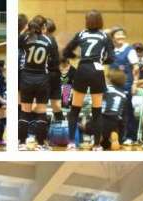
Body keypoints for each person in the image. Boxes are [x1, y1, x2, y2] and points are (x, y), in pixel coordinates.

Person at [62, 10, 114, 151]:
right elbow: (112, 58)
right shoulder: (105, 36)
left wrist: (77, 57)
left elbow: (66, 51)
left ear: (87, 21)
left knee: (75, 110)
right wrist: (101, 61)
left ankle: (71, 142)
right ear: (100, 21)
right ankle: (97, 145)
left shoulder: (81, 34)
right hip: (97, 71)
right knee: (97, 111)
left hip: (83, 69)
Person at [18, 15, 59, 150]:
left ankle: (22, 143)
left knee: (25, 111)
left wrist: (26, 30)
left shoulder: (25, 38)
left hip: (26, 78)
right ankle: (41, 144)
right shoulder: (49, 40)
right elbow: (55, 63)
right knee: (41, 112)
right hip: (42, 79)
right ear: (44, 27)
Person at [79, 68, 127, 150]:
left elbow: (95, 106)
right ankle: (113, 136)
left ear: (110, 79)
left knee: (82, 125)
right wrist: (121, 138)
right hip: (115, 123)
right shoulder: (124, 95)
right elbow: (124, 118)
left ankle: (97, 138)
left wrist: (87, 120)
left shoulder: (105, 88)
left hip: (101, 120)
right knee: (106, 144)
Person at [110, 27, 139, 145]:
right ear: (113, 38)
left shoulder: (129, 50)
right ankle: (118, 136)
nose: (121, 36)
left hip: (126, 86)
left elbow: (136, 68)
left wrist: (135, 84)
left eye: (122, 34)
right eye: (118, 34)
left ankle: (131, 136)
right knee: (114, 111)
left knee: (127, 111)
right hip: (113, 86)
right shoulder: (111, 50)